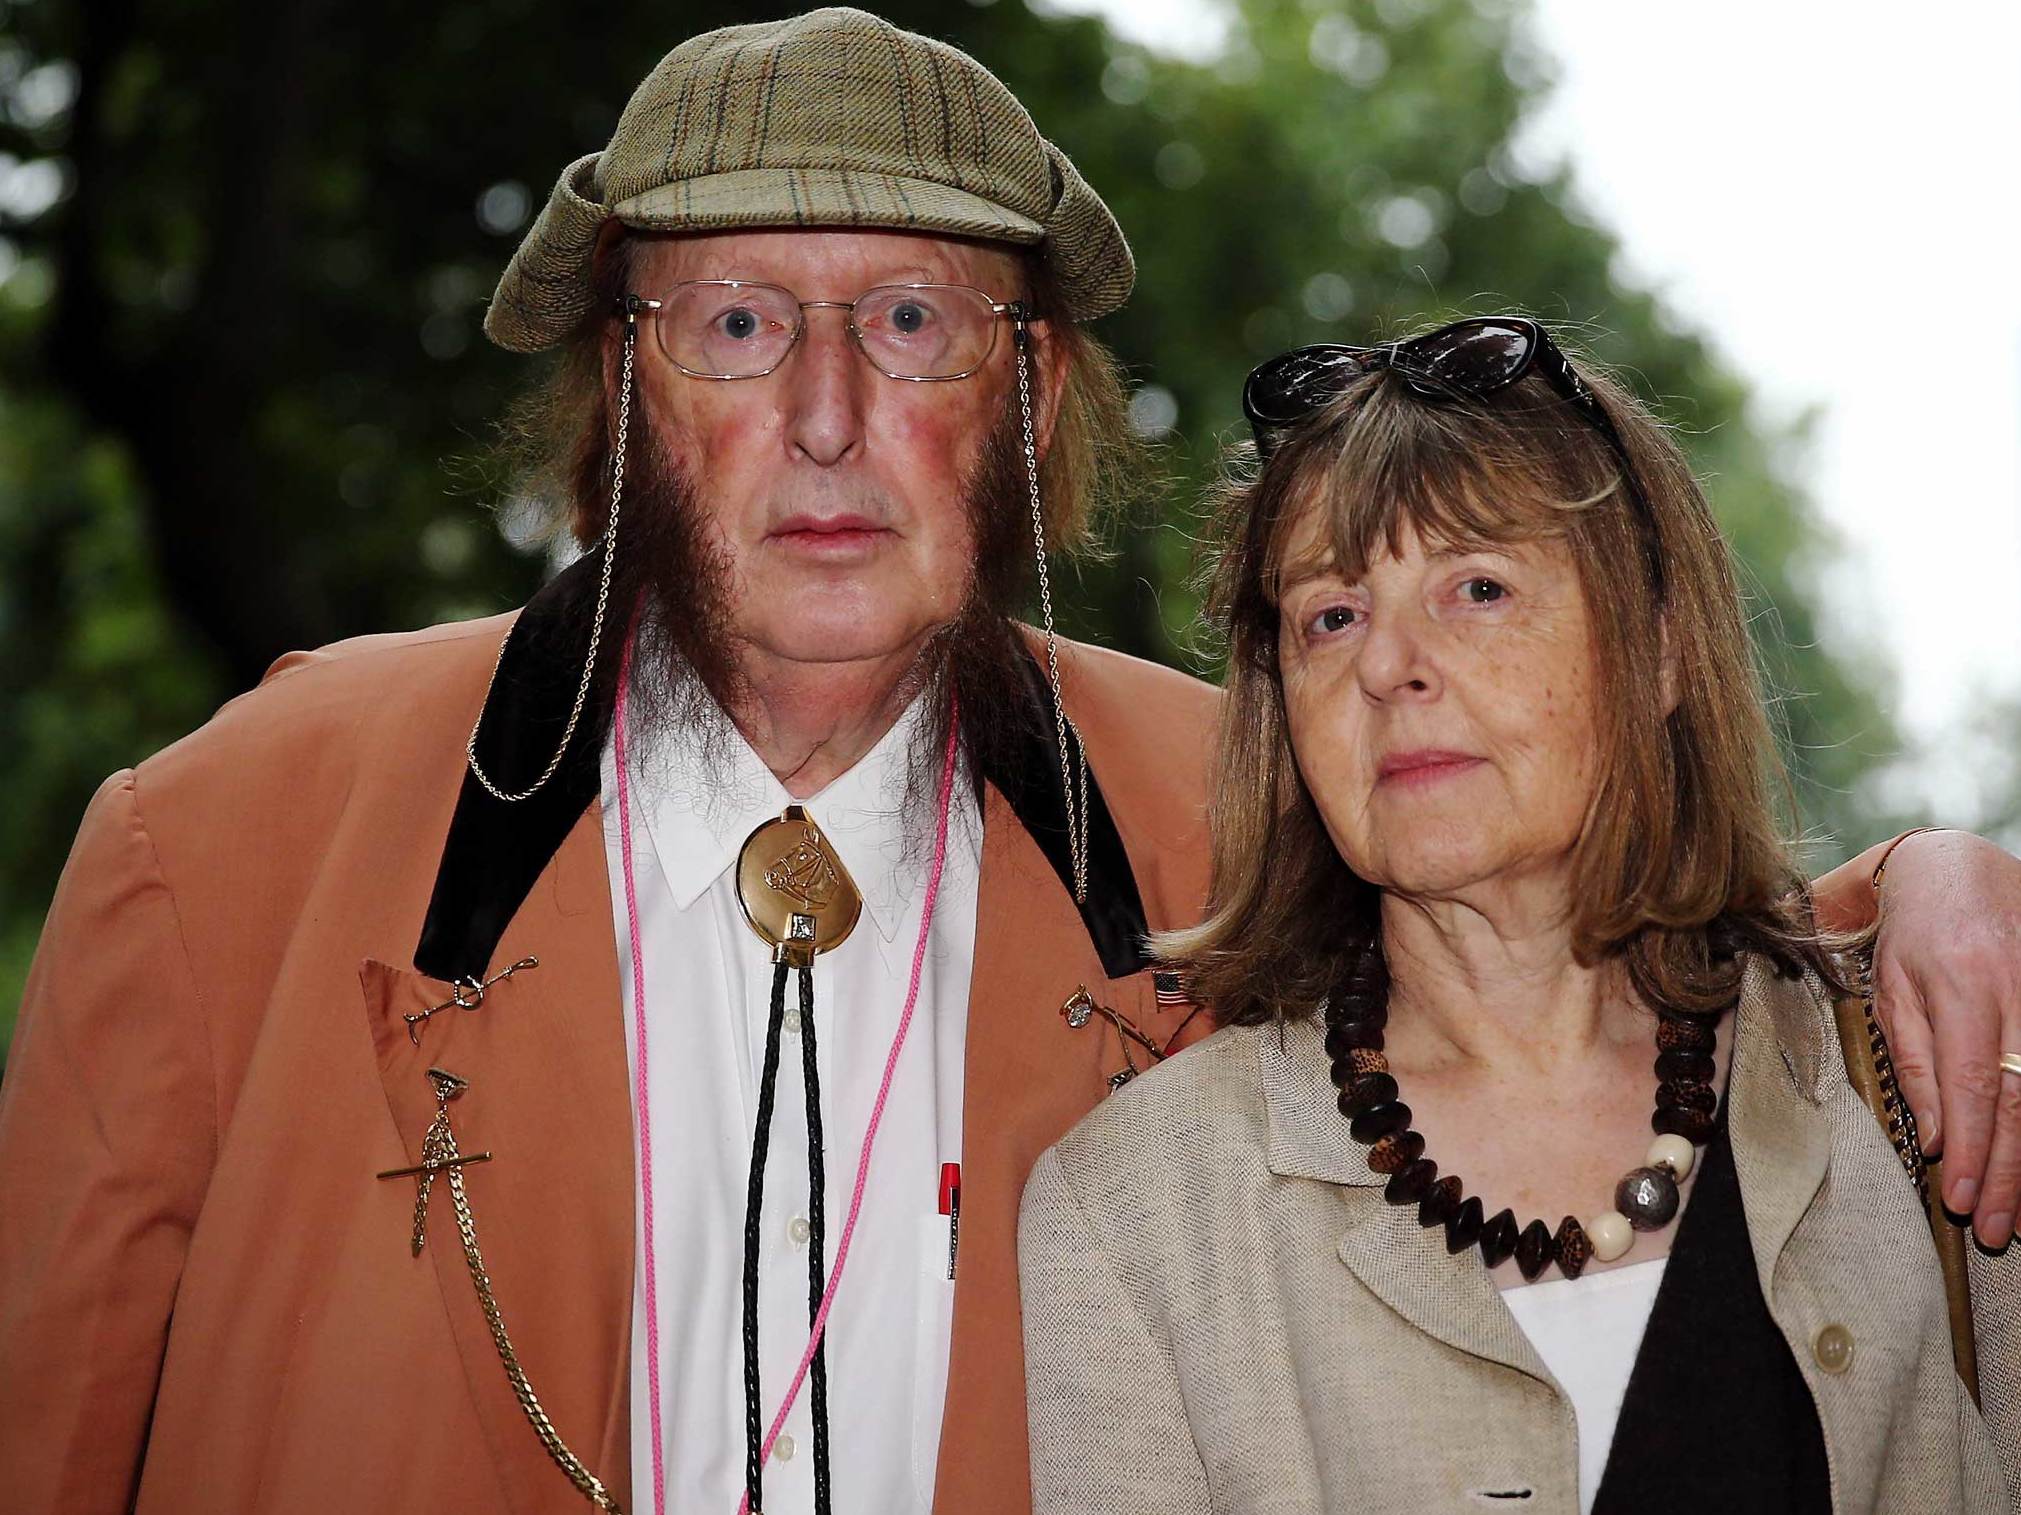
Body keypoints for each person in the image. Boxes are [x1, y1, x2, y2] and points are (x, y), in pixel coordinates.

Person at [0, 12, 2016, 1514]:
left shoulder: (1228, 790)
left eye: (905, 320)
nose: (818, 414)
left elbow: (1593, 951)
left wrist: (1922, 876)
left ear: (1026, 396)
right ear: (617, 391)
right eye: (727, 324)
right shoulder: (228, 840)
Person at [1018, 318, 2021, 1513]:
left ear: (1654, 652)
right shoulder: (1137, 1212)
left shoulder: (1912, 1068)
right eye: (1330, 616)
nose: (1388, 664)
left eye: (1476, 587)